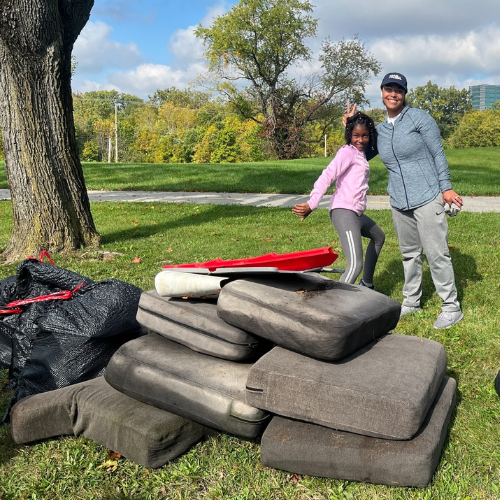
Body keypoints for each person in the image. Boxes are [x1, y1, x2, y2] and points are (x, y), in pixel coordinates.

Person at [345, 72, 463, 329]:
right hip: (399, 200)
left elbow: (438, 154)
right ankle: (411, 301)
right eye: (389, 88)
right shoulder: (380, 130)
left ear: (404, 93)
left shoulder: (420, 119)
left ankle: (451, 307)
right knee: (409, 254)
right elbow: (359, 152)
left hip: (427, 195)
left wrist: (446, 188)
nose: (393, 94)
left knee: (436, 253)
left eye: (398, 89)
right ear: (382, 92)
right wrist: (349, 125)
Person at [292, 112, 385, 288]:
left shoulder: (360, 153)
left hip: (355, 212)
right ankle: (337, 307)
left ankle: (367, 284)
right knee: (355, 265)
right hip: (344, 211)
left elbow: (367, 137)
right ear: (350, 135)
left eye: (364, 135)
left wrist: (350, 123)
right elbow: (327, 176)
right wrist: (312, 203)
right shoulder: (347, 153)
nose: (360, 140)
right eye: (356, 135)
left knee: (379, 236)